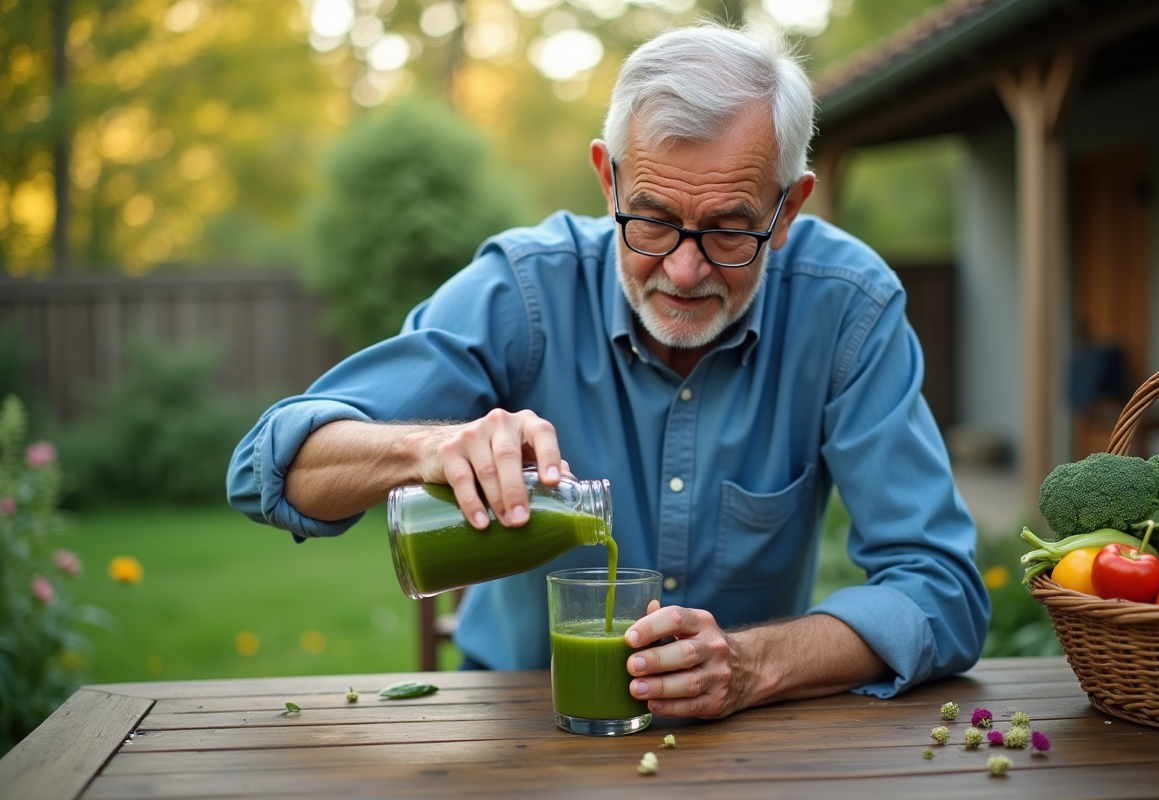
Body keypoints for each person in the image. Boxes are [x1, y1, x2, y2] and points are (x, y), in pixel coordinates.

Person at [227, 22, 989, 719]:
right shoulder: (522, 291)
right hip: (518, 730)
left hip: (748, 742)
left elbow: (942, 591)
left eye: (729, 231)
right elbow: (268, 467)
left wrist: (754, 664)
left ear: (787, 211)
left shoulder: (846, 308)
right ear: (608, 180)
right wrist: (423, 448)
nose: (685, 271)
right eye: (653, 220)